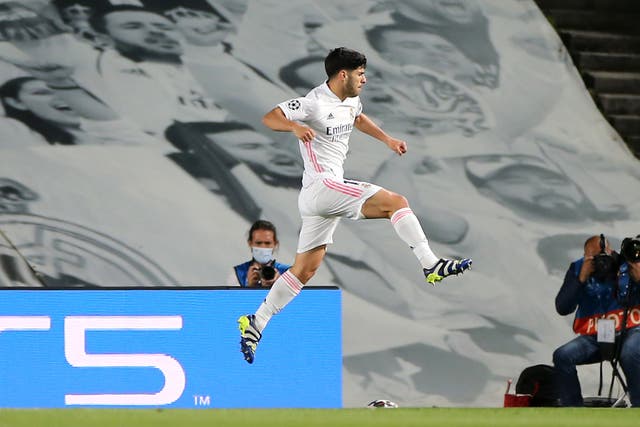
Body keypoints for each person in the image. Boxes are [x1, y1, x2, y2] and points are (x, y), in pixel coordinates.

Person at [237, 47, 472, 364]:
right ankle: (430, 263)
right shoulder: (314, 103)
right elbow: (270, 116)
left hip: (319, 199)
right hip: (323, 186)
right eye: (360, 73)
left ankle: (257, 321)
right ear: (342, 75)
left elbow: (357, 118)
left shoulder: (350, 101)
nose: (365, 78)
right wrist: (293, 126)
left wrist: (387, 139)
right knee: (396, 202)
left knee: (304, 270)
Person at [552, 234, 640, 407]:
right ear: (586, 257)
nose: (600, 263)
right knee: (562, 356)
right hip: (599, 336)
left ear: (610, 250)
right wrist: (580, 279)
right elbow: (562, 307)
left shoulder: (629, 262)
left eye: (602, 256)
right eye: (593, 259)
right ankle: (574, 412)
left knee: (629, 352)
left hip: (633, 330)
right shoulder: (579, 268)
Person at [228, 220, 291, 288]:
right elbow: (233, 298)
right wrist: (249, 286)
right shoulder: (238, 274)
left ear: (275, 244)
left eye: (267, 243)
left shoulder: (287, 273)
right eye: (258, 243)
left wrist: (281, 286)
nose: (263, 247)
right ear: (250, 243)